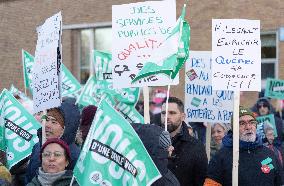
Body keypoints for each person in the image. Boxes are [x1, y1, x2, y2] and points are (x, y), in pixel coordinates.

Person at [204, 106, 283, 186]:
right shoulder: (221, 157)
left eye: (252, 122)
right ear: (233, 128)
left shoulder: (269, 154)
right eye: (242, 123)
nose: (248, 127)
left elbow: (280, 182)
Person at [25, 98, 81, 184]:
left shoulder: (76, 157)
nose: (47, 125)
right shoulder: (38, 146)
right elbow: (28, 177)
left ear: (66, 128)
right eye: (46, 120)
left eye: (54, 122)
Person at [161, 97, 208, 186]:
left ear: (183, 117)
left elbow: (201, 180)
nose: (166, 117)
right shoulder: (153, 143)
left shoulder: (196, 146)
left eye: (172, 113)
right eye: (163, 113)